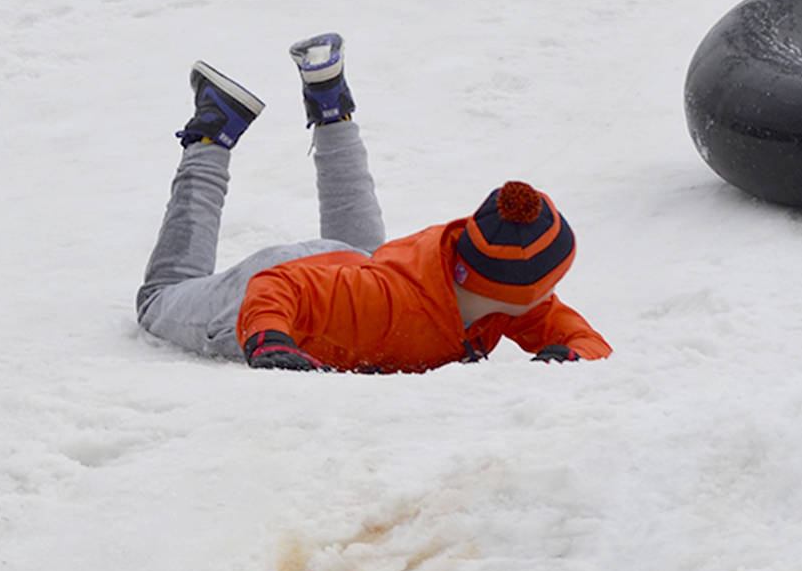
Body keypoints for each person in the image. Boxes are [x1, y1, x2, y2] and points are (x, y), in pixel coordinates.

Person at [134, 33, 610, 373]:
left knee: (363, 258)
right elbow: (274, 285)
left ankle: (330, 103)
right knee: (159, 299)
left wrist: (569, 356)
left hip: (351, 265)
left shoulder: (501, 293)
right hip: (283, 293)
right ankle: (212, 134)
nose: (551, 296)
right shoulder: (386, 305)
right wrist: (267, 337)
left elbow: (585, 339)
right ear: (516, 289)